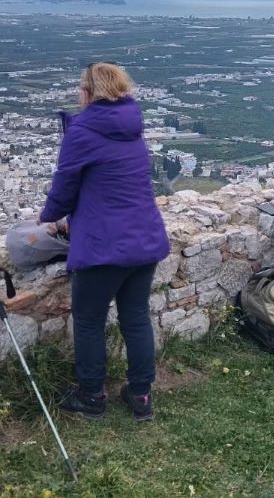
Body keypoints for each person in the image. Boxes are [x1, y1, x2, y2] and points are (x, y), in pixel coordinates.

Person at [40, 62, 170, 422]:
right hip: (144, 239)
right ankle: (141, 395)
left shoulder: (82, 131)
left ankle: (92, 395)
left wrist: (48, 216)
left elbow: (65, 183)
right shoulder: (132, 125)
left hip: (103, 244)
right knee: (136, 318)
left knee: (88, 320)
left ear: (87, 93)